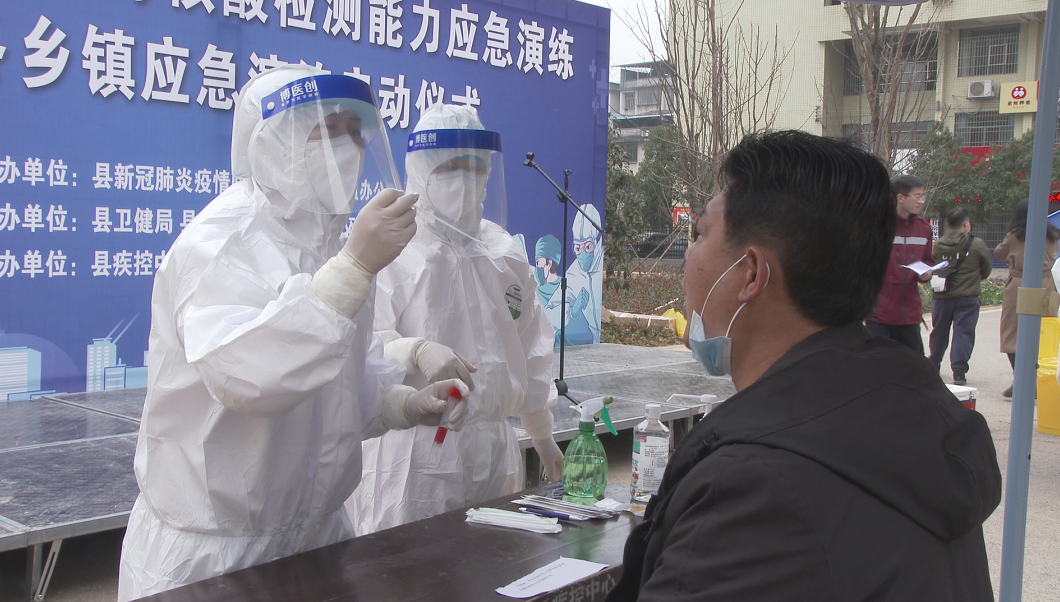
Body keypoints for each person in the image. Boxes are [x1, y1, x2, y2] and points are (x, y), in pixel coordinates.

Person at [117, 66, 473, 600]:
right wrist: (353, 268)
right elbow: (251, 378)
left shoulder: (331, 246)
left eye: (356, 132)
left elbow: (334, 381)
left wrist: (398, 403)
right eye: (328, 130)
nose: (348, 147)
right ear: (273, 140)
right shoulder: (221, 243)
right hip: (214, 557)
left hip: (316, 540)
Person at [607, 131, 1000, 602]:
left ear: (751, 272)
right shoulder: (916, 420)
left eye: (700, 234)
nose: (689, 255)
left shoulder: (753, 488)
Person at [346, 104, 562, 534]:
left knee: (494, 563)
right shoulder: (392, 247)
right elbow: (359, 346)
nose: (465, 179)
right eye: (449, 167)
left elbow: (530, 348)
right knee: (412, 566)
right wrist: (414, 351)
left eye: (475, 166)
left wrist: (541, 432)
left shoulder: (502, 252)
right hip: (416, 452)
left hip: (494, 448)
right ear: (422, 171)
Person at [997, 198, 1060, 398]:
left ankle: (1022, 379)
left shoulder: (1015, 236)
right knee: (1044, 333)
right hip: (1046, 286)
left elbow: (999, 252)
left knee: (1011, 334)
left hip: (1019, 285)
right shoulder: (1051, 234)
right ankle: (1038, 378)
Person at [866, 174, 933, 353]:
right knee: (877, 363)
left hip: (909, 314)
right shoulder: (878, 226)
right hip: (880, 312)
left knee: (914, 364)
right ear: (901, 198)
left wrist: (926, 273)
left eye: (923, 196)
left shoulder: (924, 229)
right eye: (917, 196)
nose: (921, 201)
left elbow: (927, 260)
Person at [928, 208, 992, 386]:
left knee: (939, 331)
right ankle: (959, 372)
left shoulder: (938, 245)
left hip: (942, 296)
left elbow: (932, 264)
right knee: (963, 332)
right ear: (966, 224)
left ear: (948, 224)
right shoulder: (977, 244)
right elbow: (986, 269)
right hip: (967, 297)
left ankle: (934, 364)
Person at [558, 204, 604, 345]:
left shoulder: (603, 265)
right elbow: (553, 307)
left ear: (597, 242)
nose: (583, 253)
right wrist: (572, 310)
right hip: (585, 343)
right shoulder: (573, 273)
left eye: (588, 246)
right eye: (578, 248)